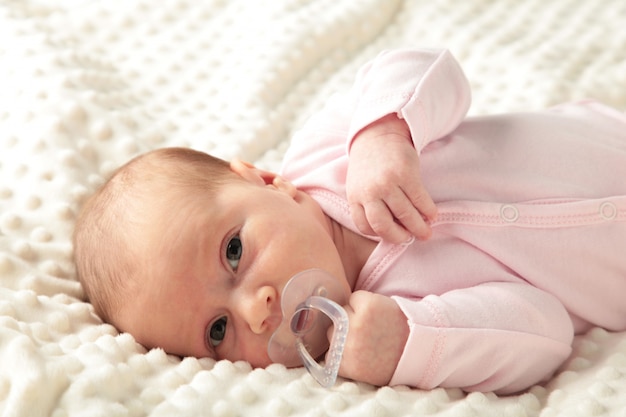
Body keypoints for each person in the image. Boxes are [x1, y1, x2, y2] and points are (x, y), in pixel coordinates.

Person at [73, 48, 626, 394]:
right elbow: (545, 332)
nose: (256, 310)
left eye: (234, 252)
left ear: (267, 182)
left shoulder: (333, 148)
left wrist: (385, 133)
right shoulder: (393, 318)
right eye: (218, 332)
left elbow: (437, 69)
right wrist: (410, 344)